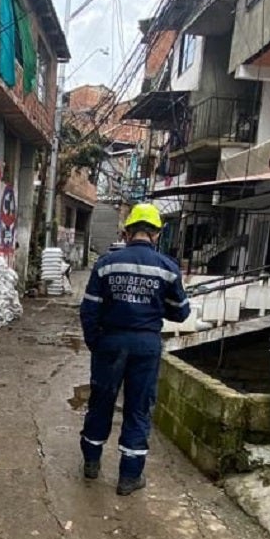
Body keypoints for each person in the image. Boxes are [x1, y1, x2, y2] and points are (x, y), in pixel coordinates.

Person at [78, 203, 190, 496]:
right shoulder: (167, 268)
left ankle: (91, 464)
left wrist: (96, 344)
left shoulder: (106, 264)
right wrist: (154, 304)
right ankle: (128, 478)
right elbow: (181, 313)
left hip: (110, 343)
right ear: (156, 234)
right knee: (138, 408)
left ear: (127, 232)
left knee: (101, 401)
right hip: (146, 344)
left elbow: (89, 310)